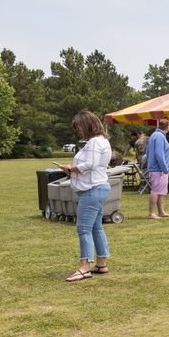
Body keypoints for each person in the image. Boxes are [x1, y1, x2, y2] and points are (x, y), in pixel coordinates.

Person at [59, 111, 112, 282]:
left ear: (87, 125)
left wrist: (69, 168)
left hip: (93, 190)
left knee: (83, 228)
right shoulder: (102, 141)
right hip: (98, 188)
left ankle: (84, 267)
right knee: (96, 227)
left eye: (79, 127)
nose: (78, 131)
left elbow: (90, 165)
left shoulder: (95, 142)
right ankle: (101, 263)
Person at [147, 118, 169, 219]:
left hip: (157, 168)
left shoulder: (154, 136)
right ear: (168, 127)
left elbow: (148, 152)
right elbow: (159, 154)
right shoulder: (159, 137)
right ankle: (151, 213)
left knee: (161, 191)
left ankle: (161, 211)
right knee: (156, 191)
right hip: (158, 169)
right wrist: (164, 167)